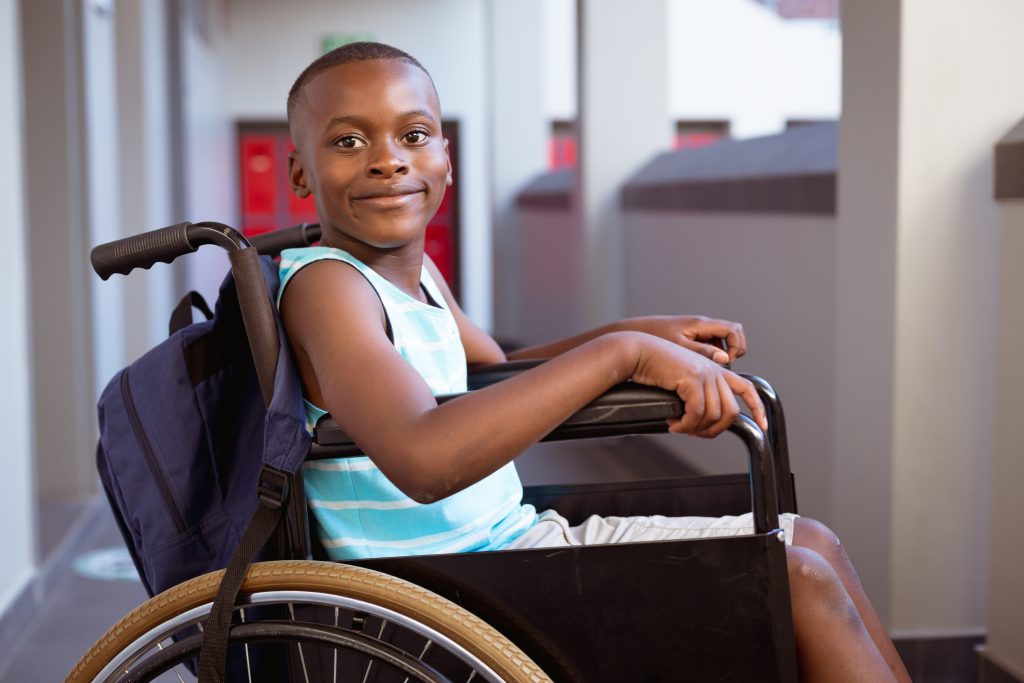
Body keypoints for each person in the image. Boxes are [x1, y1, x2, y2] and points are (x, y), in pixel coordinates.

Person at [278, 41, 911, 683]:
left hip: (503, 553)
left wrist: (636, 331)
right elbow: (424, 458)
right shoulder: (328, 288)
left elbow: (498, 370)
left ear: (446, 156)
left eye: (413, 135)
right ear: (300, 173)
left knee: (812, 543)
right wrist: (621, 354)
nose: (388, 160)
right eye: (349, 143)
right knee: (796, 576)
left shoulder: (418, 279)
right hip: (434, 598)